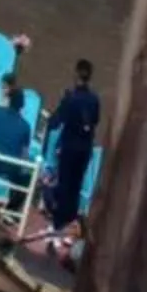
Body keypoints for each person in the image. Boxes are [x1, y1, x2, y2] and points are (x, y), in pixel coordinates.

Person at [45, 57, 100, 227]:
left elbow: (56, 120)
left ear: (76, 74)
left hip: (70, 146)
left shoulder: (71, 98)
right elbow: (96, 120)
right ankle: (70, 219)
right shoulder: (94, 100)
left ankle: (58, 222)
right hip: (85, 148)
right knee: (76, 185)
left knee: (64, 183)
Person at [0, 74, 36, 210]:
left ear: (9, 99)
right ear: (22, 106)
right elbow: (24, 156)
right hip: (9, 170)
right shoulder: (26, 127)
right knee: (27, 177)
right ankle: (11, 211)